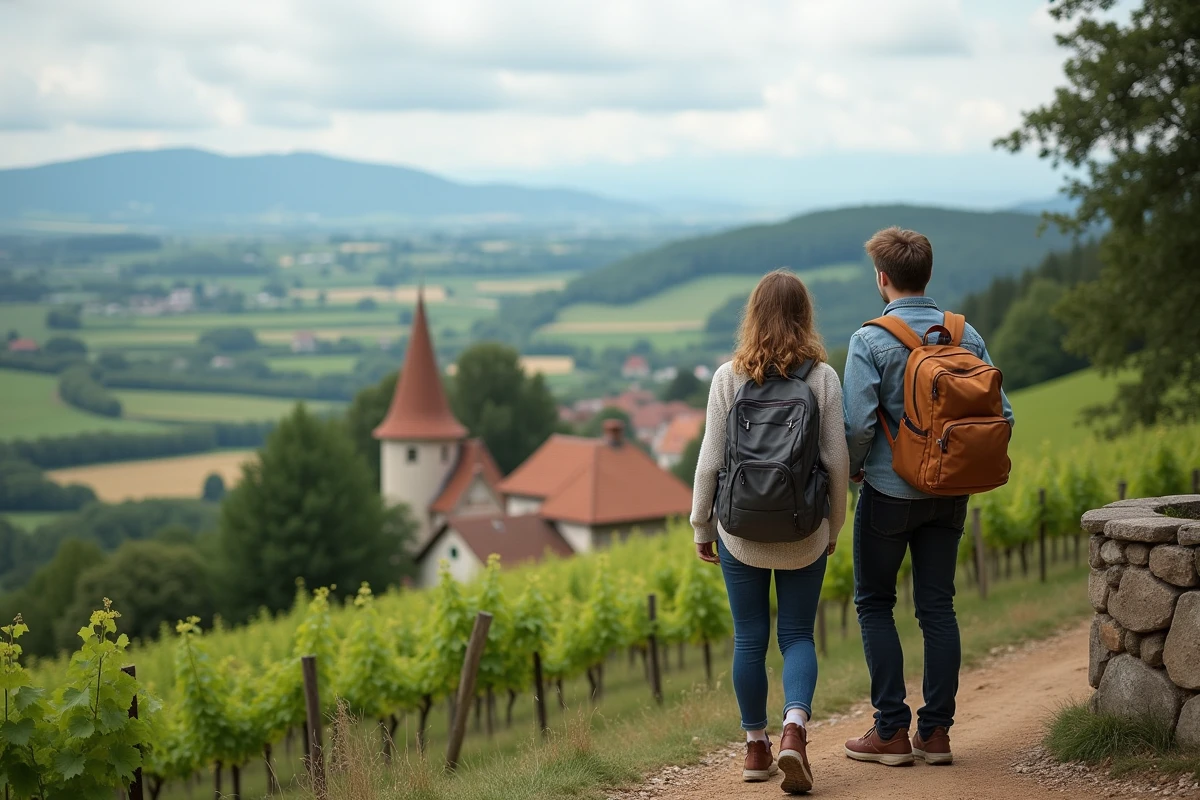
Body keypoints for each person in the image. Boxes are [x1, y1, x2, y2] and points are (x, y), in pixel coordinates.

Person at [842, 226, 1014, 767]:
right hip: (951, 492)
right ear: (927, 275)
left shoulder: (869, 339)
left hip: (889, 494)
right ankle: (936, 733)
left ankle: (891, 731)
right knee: (938, 607)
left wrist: (853, 472)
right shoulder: (967, 335)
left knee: (875, 604)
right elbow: (1004, 415)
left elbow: (855, 425)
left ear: (883, 278)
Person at [691, 269, 849, 794]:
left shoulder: (728, 377)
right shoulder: (822, 379)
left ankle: (755, 747)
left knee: (749, 638)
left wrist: (700, 524)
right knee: (798, 635)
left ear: (752, 315)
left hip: (740, 532)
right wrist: (833, 525)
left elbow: (710, 461)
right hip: (805, 528)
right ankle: (795, 732)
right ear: (805, 315)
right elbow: (836, 461)